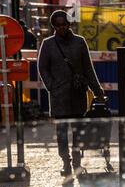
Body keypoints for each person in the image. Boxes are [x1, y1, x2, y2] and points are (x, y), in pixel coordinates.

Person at [38, 10, 104, 176]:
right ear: (53, 26)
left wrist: (97, 90)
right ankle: (65, 162)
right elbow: (42, 68)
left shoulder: (80, 42)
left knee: (78, 131)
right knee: (61, 133)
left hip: (77, 93)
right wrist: (52, 86)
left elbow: (88, 69)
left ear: (69, 24)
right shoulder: (48, 44)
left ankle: (76, 162)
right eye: (58, 25)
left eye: (64, 24)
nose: (61, 28)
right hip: (59, 96)